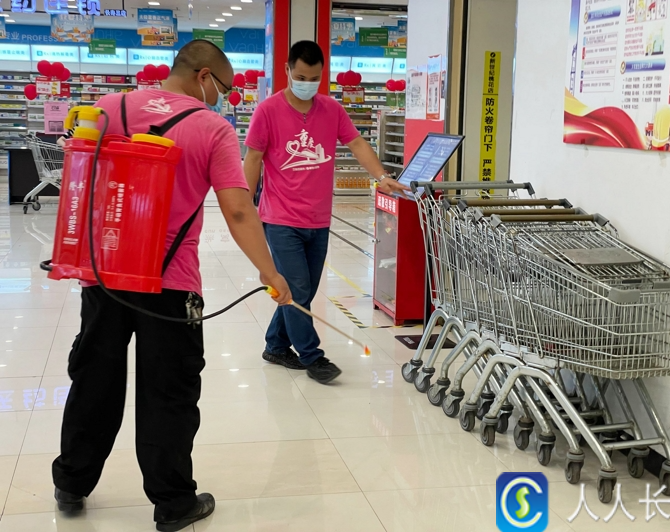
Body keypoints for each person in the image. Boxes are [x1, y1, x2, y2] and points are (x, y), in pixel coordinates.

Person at [51, 40, 291, 532]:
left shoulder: (107, 107)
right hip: (171, 283)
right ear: (204, 77)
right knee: (169, 392)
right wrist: (270, 272)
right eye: (224, 88)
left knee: (94, 377)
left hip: (105, 275)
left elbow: (78, 177)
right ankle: (173, 502)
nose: (224, 98)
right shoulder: (212, 128)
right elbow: (239, 208)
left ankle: (71, 482)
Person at [244, 41, 408, 384]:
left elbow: (358, 144)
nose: (307, 83)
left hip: (318, 219)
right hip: (279, 218)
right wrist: (244, 205)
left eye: (315, 78)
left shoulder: (331, 110)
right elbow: (254, 159)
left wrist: (382, 176)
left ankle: (275, 344)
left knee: (299, 291)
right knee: (299, 289)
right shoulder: (268, 111)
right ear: (288, 70)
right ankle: (312, 356)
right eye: (301, 76)